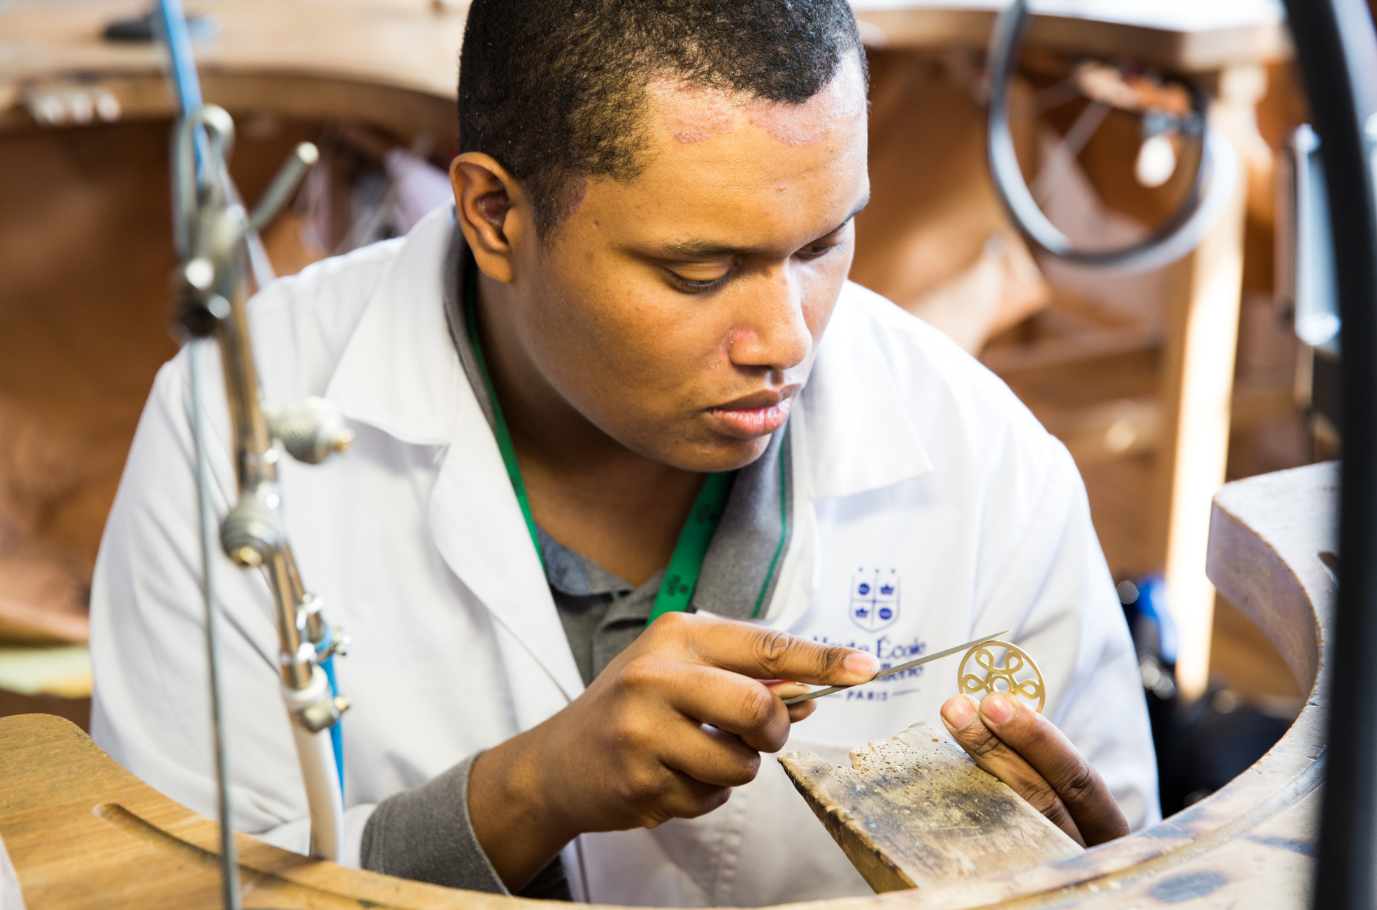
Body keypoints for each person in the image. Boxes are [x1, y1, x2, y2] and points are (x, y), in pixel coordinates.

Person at [89, 0, 1158, 904]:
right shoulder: (234, 429)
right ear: (495, 214)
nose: (788, 338)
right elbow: (160, 885)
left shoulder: (985, 465)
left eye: (825, 242)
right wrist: (521, 795)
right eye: (699, 269)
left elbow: (1122, 861)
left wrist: (1096, 872)